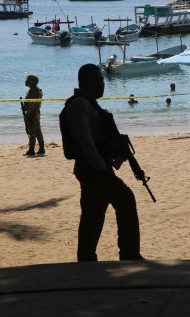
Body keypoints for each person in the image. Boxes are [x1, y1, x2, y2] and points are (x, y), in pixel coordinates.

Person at [59, 64, 143, 262]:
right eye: (98, 80)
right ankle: (129, 254)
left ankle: (86, 258)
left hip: (93, 168)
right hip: (92, 168)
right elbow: (84, 140)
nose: (102, 84)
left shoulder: (87, 103)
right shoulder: (80, 104)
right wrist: (101, 168)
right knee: (125, 199)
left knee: (93, 214)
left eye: (102, 80)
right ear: (85, 82)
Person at [23, 74, 45, 156]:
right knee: (38, 131)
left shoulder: (33, 90)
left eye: (27, 79)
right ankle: (41, 149)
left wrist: (28, 114)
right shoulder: (35, 89)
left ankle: (31, 150)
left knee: (32, 131)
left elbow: (32, 104)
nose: (25, 81)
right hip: (35, 112)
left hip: (33, 113)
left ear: (32, 81)